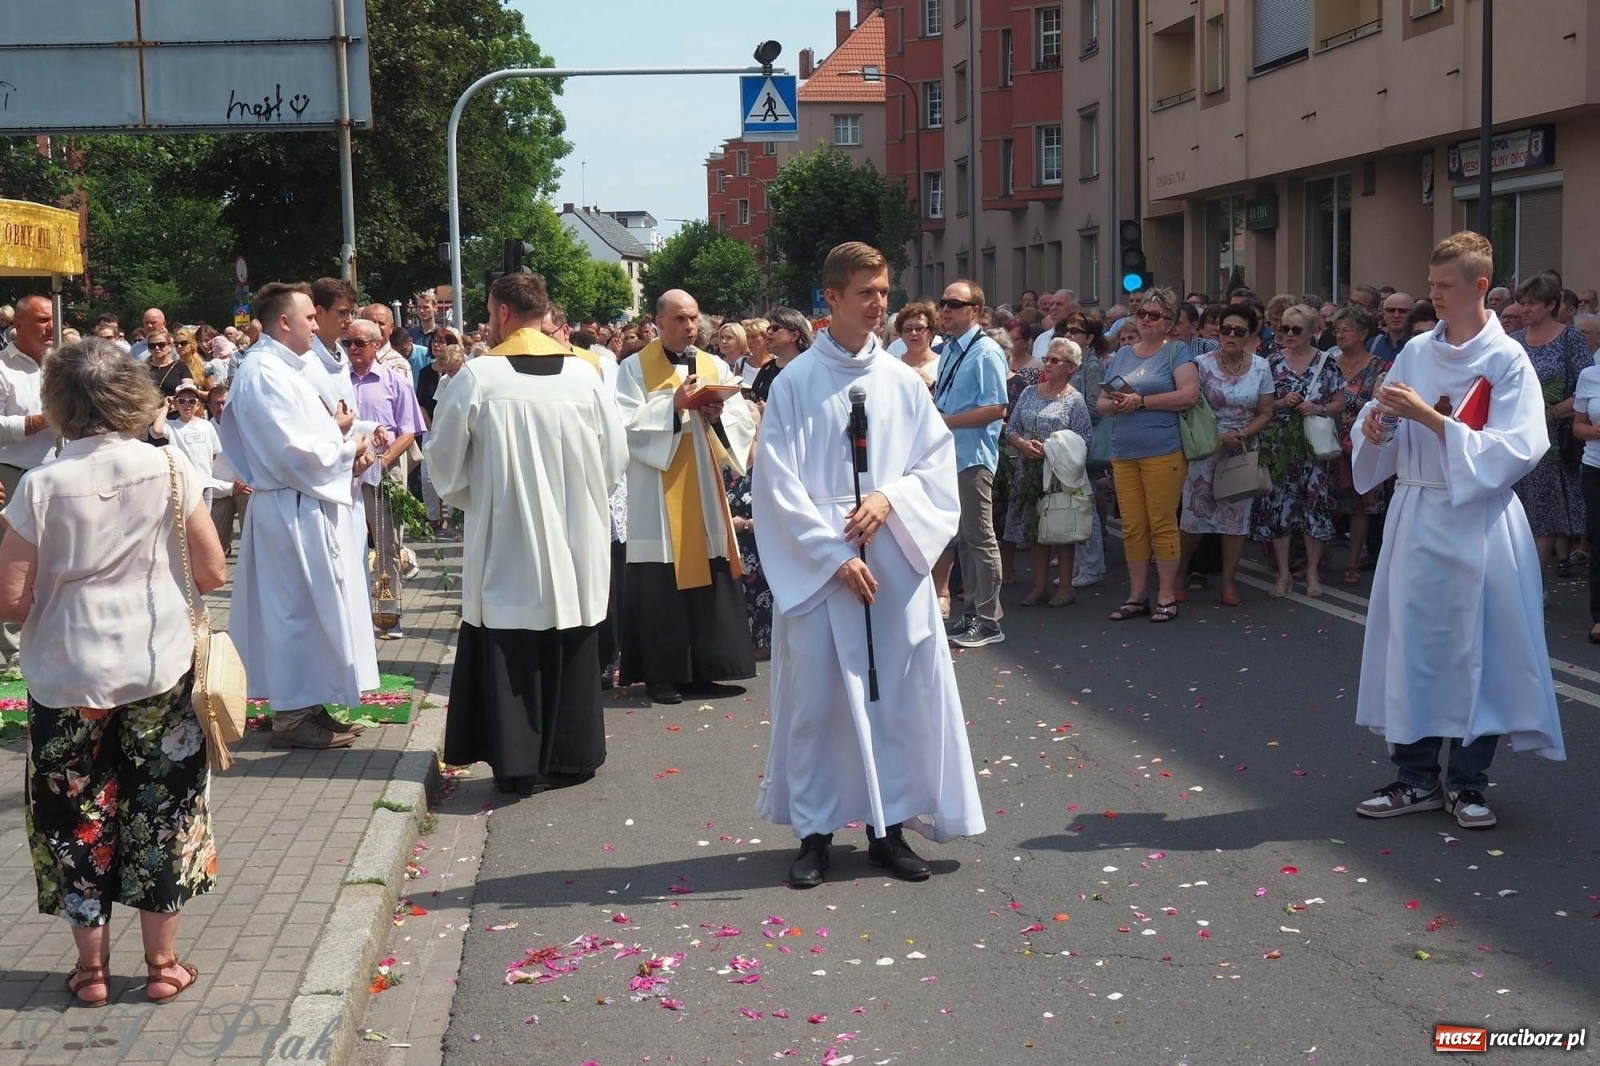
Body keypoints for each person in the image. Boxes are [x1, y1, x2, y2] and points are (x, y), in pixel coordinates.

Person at [0, 338, 227, 1006]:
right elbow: (212, 571)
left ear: (59, 404)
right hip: (158, 665)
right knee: (164, 810)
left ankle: (92, 973)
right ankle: (162, 966)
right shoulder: (168, 468)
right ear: (132, 393)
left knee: (77, 818)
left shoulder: (40, 485)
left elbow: (12, 601)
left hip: (66, 676)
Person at [752, 241, 985, 888]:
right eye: (866, 293)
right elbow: (777, 486)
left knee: (897, 699)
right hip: (824, 573)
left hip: (894, 566)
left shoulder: (902, 383)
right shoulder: (796, 384)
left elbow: (933, 468)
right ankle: (815, 836)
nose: (879, 304)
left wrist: (890, 497)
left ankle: (890, 829)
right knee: (819, 706)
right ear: (830, 299)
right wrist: (831, 557)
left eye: (884, 291)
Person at [1351, 231, 1564, 829]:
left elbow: (1520, 446)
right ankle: (1414, 777)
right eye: (1431, 285)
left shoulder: (1507, 358)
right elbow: (1384, 413)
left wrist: (1429, 419)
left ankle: (1468, 782)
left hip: (1480, 519)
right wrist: (1378, 428)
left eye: (1445, 286)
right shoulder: (1417, 350)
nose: (1434, 295)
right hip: (1419, 512)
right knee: (1413, 646)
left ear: (1477, 286)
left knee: (1481, 650)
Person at [426, 272, 626, 796]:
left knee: (510, 640)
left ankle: (516, 763)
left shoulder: (478, 377)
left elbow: (444, 466)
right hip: (576, 535)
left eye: (490, 314)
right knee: (572, 627)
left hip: (506, 534)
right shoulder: (586, 376)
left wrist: (485, 498)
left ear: (503, 314)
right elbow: (614, 461)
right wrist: (580, 495)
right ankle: (571, 756)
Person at [220, 282, 379, 750]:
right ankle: (290, 717)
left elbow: (313, 436)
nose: (319, 324)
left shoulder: (285, 369)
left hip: (304, 503)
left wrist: (351, 448)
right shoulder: (264, 373)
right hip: (289, 508)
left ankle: (310, 705)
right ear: (284, 322)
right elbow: (295, 451)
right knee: (291, 614)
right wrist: (350, 449)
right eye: (310, 317)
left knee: (313, 612)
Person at [615, 289, 757, 706]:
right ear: (658, 321)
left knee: (709, 571)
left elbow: (738, 417)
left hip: (704, 486)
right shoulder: (634, 368)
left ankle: (707, 669)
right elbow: (624, 424)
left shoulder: (713, 364)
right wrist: (671, 407)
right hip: (658, 493)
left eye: (694, 318)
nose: (690, 326)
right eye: (680, 319)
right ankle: (662, 675)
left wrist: (717, 415)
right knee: (661, 585)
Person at [1099, 288, 1199, 623]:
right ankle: (1137, 595)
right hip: (1124, 451)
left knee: (1161, 522)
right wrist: (1118, 402)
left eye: (1154, 315)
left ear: (1169, 322)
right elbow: (1100, 402)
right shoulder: (1123, 354)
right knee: (1132, 526)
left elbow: (1188, 395)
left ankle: (1167, 594)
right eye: (1142, 314)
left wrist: (1142, 401)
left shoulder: (1177, 352)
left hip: (1162, 449)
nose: (1145, 320)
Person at [1177, 305, 1275, 606]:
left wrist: (1242, 435)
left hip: (1241, 447)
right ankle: (1178, 574)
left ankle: (1229, 583)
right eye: (1225, 329)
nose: (1231, 335)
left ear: (1250, 335)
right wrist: (1217, 437)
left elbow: (1266, 411)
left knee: (1235, 520)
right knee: (1195, 518)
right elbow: (1189, 408)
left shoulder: (1261, 366)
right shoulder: (1200, 364)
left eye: (1239, 331)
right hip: (1206, 447)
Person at [934, 279, 1010, 648]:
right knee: (964, 538)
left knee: (980, 537)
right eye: (943, 303)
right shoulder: (949, 349)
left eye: (954, 304)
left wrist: (944, 421)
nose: (945, 309)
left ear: (974, 311)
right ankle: (970, 614)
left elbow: (997, 407)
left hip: (973, 457)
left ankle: (989, 619)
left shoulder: (986, 352)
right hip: (951, 454)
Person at [1252, 303, 1347, 598]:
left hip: (1313, 447)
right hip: (1280, 446)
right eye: (1284, 328)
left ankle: (1312, 574)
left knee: (1314, 508)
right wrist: (1280, 404)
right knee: (1280, 507)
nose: (1288, 334)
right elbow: (1259, 404)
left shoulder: (1326, 363)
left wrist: (1317, 407)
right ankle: (1283, 573)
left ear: (1311, 332)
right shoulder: (1270, 362)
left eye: (1295, 329)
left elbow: (1340, 401)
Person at [344, 319, 426, 636]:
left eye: (359, 343)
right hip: (344, 469)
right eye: (348, 343)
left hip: (382, 469)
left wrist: (383, 460)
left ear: (376, 344)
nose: (352, 349)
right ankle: (355, 613)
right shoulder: (338, 381)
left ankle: (387, 615)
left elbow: (409, 430)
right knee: (348, 542)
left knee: (385, 544)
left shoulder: (395, 380)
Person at [1507, 272, 1589, 580]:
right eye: (1522, 302)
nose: (1525, 309)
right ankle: (1515, 581)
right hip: (1515, 433)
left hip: (1551, 437)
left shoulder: (1571, 338)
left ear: (1551, 305)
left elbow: (1587, 387)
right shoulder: (1513, 342)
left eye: (1532, 303)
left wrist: (1552, 412)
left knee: (1542, 513)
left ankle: (1533, 582)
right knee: (1516, 509)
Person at [1004, 337, 1093, 606]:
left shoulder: (1074, 400)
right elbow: (1011, 428)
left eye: (1055, 360)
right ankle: (1040, 587)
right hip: (1028, 469)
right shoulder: (1030, 392)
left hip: (1059, 474)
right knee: (1034, 529)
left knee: (1060, 528)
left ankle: (1065, 587)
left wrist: (1053, 448)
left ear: (1071, 367)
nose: (1048, 364)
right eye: (1046, 359)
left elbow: (1084, 438)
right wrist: (1021, 443)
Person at [0, 294, 56, 672]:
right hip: (13, 472)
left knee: (54, 557)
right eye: (40, 320)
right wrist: (33, 424)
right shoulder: (2, 368)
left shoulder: (60, 363)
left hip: (56, 472)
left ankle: (52, 636)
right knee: (12, 562)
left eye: (51, 318)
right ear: (18, 325)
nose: (50, 326)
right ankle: (12, 651)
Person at [1329, 305, 1387, 584]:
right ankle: (1316, 559)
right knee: (1324, 500)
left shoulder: (1378, 366)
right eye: (1336, 330)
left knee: (1361, 504)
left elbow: (1378, 403)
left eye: (1346, 330)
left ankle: (1353, 561)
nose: (1340, 335)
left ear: (1363, 333)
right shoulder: (1328, 362)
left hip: (1360, 442)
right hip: (1327, 439)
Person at [206, 383, 251, 557]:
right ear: (209, 406)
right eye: (216, 404)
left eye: (224, 402)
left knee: (253, 539)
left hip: (244, 488)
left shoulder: (247, 425)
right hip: (219, 492)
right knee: (213, 552)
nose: (221, 407)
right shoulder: (203, 429)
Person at [751, 308, 812, 405]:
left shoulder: (809, 369)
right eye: (768, 328)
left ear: (794, 335)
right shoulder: (767, 369)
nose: (769, 332)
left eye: (775, 328)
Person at [895, 301, 940, 390]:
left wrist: (933, 386)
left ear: (931, 332)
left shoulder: (943, 364)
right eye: (908, 329)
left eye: (919, 328)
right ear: (901, 334)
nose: (913, 333)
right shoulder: (893, 364)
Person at [1368, 292, 1416, 363]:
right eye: (1391, 310)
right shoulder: (1373, 344)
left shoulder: (1418, 345)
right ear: (1384, 314)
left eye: (1402, 311)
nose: (1396, 315)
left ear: (1413, 314)